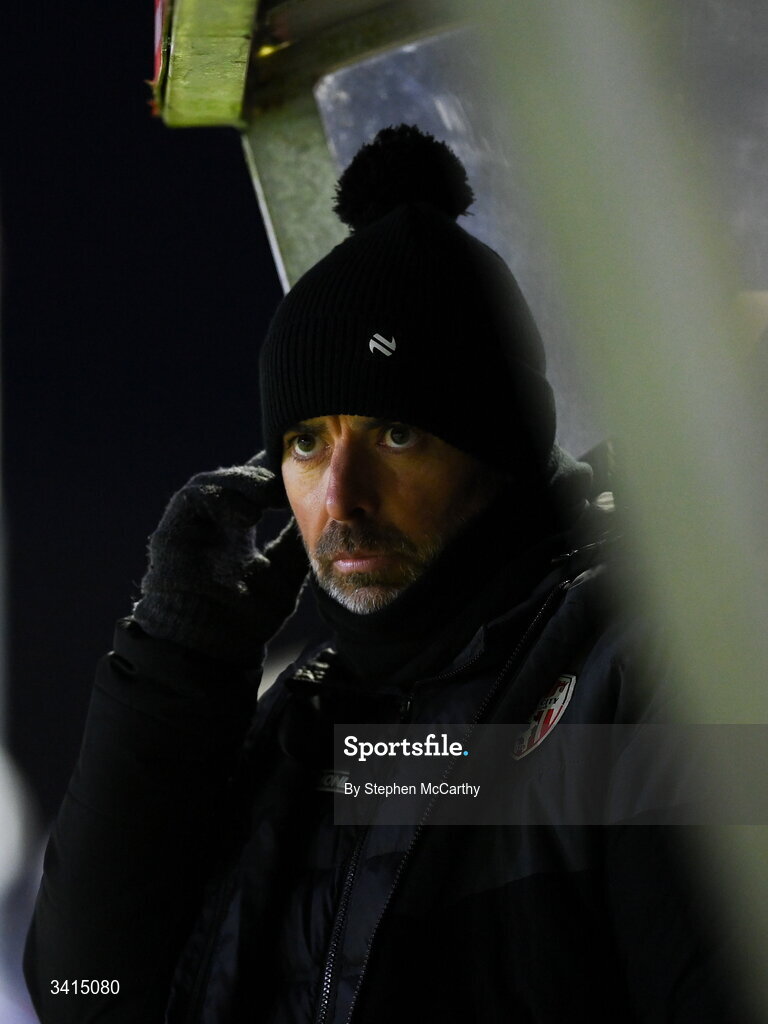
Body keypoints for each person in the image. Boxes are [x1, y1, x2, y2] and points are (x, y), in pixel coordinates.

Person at [23, 125, 751, 1023]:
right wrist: (178, 666)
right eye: (306, 442)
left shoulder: (638, 665)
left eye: (395, 432)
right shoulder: (307, 731)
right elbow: (83, 995)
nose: (342, 495)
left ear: (500, 447)